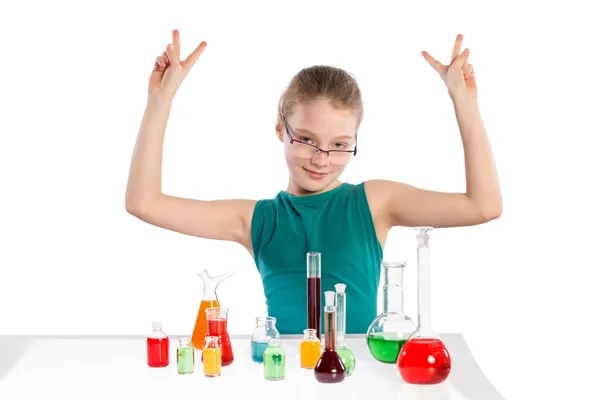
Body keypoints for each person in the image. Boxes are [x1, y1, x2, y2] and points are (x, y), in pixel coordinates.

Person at [125, 30, 502, 334]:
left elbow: (483, 206)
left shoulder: (373, 203)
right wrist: (160, 102)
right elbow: (144, 203)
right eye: (306, 139)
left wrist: (464, 103)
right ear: (280, 130)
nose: (321, 158)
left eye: (339, 145)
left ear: (355, 143)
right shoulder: (257, 220)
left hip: (359, 379)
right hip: (283, 378)